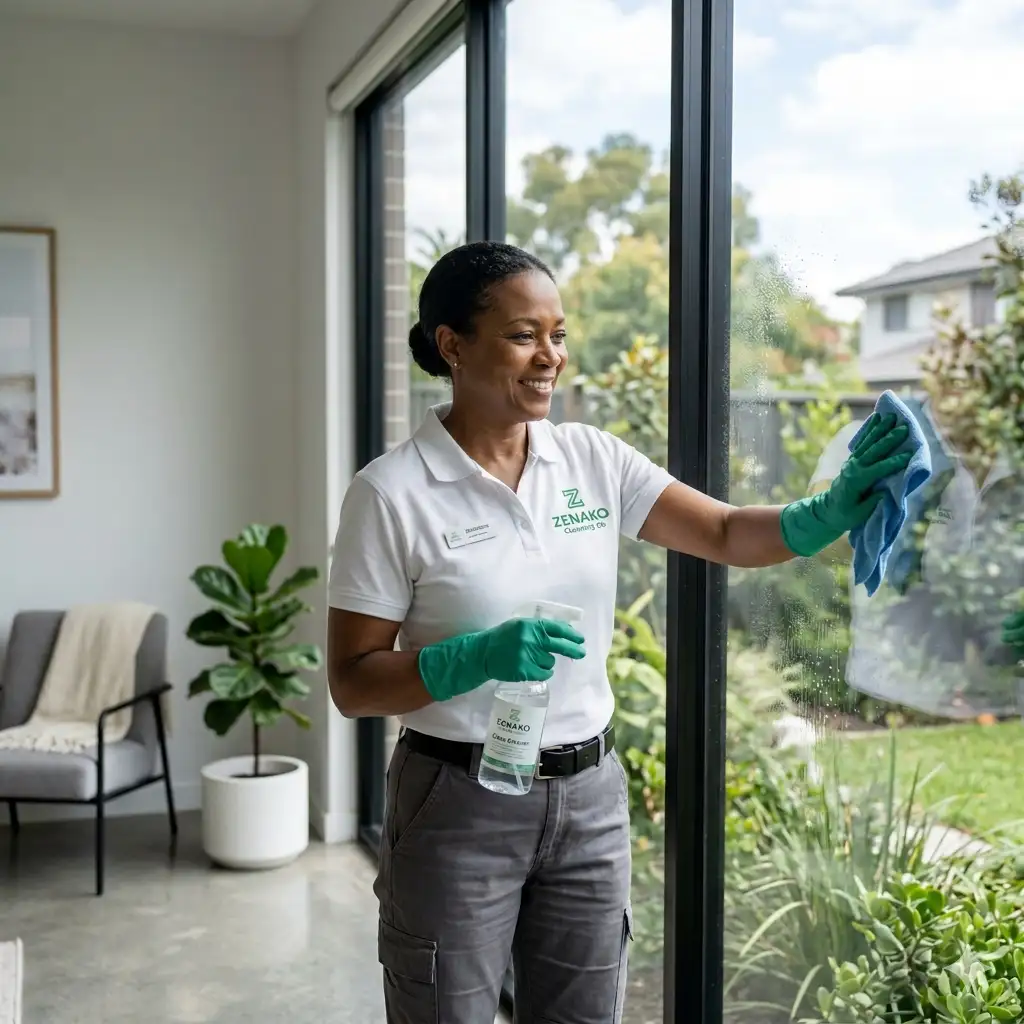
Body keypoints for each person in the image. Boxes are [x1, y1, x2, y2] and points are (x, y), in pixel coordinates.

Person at [325, 240, 911, 1024]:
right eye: (523, 334)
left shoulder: (592, 459)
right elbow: (353, 681)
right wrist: (466, 659)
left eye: (558, 334)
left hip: (589, 799)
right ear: (452, 345)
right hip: (457, 803)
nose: (550, 357)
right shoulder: (391, 493)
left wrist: (825, 513)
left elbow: (730, 532)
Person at [809, 396, 1024, 721]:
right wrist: (851, 508)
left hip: (1001, 700)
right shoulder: (874, 438)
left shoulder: (1015, 458)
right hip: (897, 694)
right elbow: (821, 545)